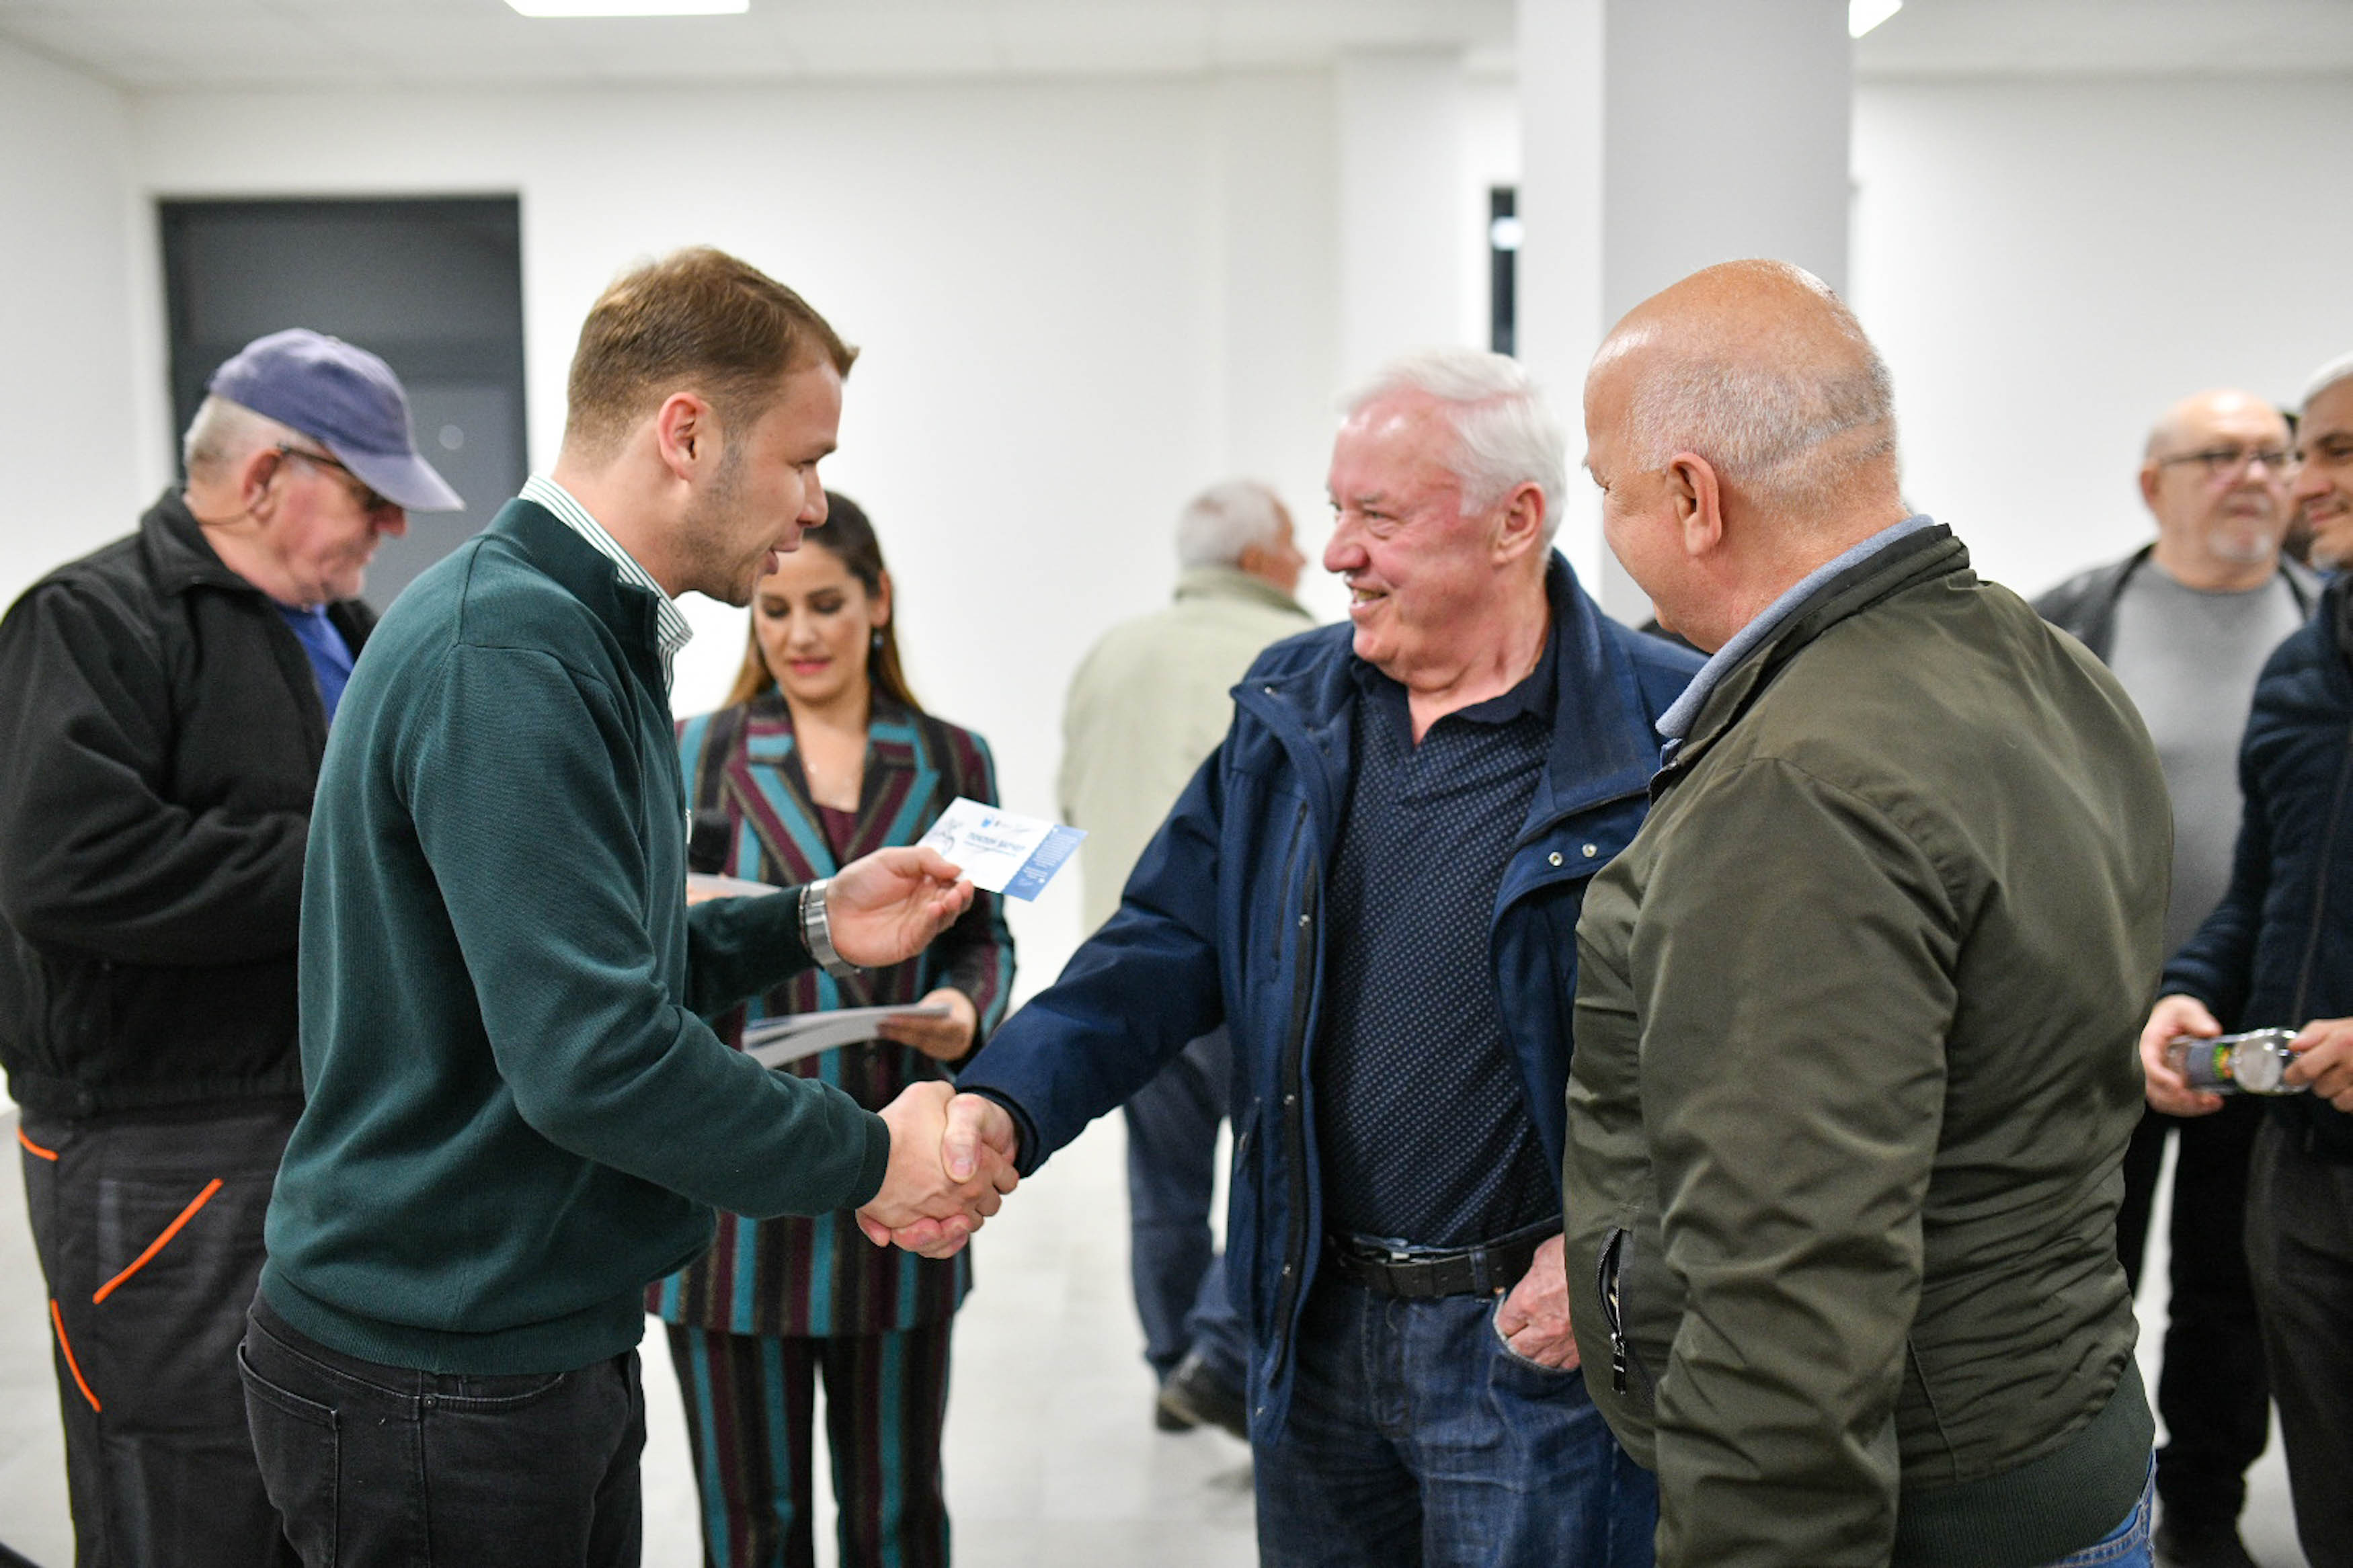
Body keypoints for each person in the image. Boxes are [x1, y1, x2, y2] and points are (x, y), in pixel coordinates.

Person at [237, 247, 1011, 1568]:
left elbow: (599, 967)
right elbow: (594, 1058)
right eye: (803, 461)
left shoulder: (580, 631)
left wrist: (810, 921)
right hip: (438, 1369)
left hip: (528, 1334)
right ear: (687, 434)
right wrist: (872, 1156)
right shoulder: (511, 651)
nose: (814, 505)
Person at [919, 347, 1701, 1567]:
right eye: (1336, 510)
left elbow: (1748, 1056)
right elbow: (1162, 940)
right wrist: (1006, 1101)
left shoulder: (1668, 730)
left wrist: (1617, 1253)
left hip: (1531, 1347)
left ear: (1515, 521)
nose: (1337, 551)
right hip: (1314, 1321)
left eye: (1378, 517)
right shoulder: (1294, 705)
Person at [1566, 259, 2169, 1567]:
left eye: (1607, 488)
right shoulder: (2041, 664)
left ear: (1692, 497)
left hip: (1923, 1506)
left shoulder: (1797, 786)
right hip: (2067, 1430)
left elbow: (1790, 1276)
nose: (1605, 529)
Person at [0, 329, 461, 1567]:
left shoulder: (347, 629)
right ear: (265, 477)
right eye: (369, 495)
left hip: (325, 1127)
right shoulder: (89, 621)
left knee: (307, 1483)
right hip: (163, 1149)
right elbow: (68, 868)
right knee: (186, 1495)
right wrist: (360, 856)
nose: (392, 528)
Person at [650, 492, 1014, 1568]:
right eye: (775, 609)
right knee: (750, 1524)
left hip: (903, 1177)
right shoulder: (694, 753)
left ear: (877, 600)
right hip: (733, 1189)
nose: (799, 633)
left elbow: (986, 938)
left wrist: (965, 1011)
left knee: (897, 1513)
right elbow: (648, 952)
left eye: (825, 605)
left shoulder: (953, 758)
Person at [2032, 388, 2309, 1568]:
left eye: (2274, 455)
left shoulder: (2326, 623)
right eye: (2221, 456)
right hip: (2099, 1014)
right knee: (2082, 1271)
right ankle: (2097, 1499)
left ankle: (2202, 1509)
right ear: (2156, 485)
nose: (2255, 476)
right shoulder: (2074, 620)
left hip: (2269, 1014)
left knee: (2234, 1283)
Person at [2145, 348, 2353, 1568]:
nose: (2295, 480)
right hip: (2300, 1150)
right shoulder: (2304, 667)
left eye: (2329, 451)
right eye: (2297, 450)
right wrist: (2190, 988)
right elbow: (2268, 892)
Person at [1058, 478, 1312, 1436]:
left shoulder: (1112, 652)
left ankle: (1174, 1359)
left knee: (1162, 1183)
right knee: (1270, 1165)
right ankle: (1219, 1355)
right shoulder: (1293, 656)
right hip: (1244, 972)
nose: (1311, 558)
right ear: (1259, 560)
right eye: (1296, 540)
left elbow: (1072, 794)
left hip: (1123, 960)